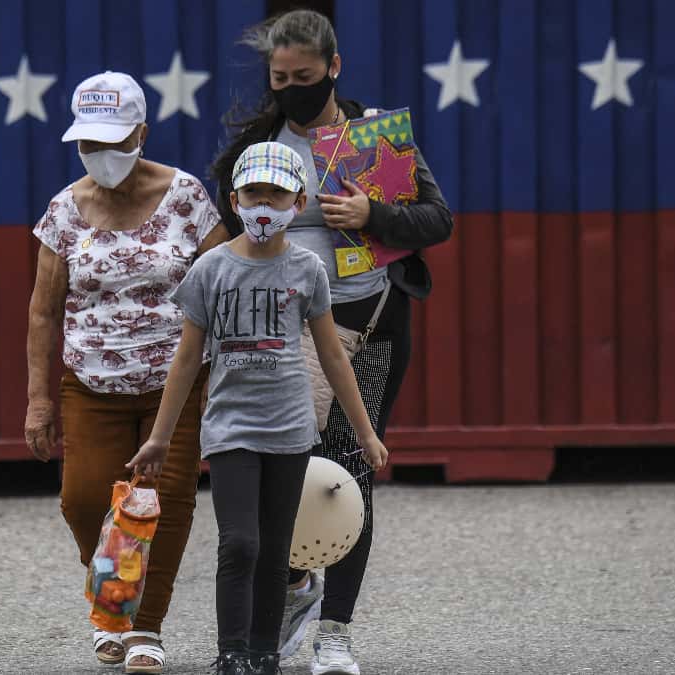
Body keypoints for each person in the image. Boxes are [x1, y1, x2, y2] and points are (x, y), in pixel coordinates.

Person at [210, 10, 455, 675]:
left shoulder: (374, 139)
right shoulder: (256, 147)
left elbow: (437, 219)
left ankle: (335, 635)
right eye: (280, 78)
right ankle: (292, 588)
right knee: (278, 482)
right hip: (279, 337)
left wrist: (373, 214)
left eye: (305, 77)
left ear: (334, 69)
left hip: (369, 325)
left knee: (346, 479)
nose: (291, 88)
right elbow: (230, 233)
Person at [127, 141, 389, 675]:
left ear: (298, 203)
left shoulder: (308, 269)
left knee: (276, 548)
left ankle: (264, 654)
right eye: (253, 192)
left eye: (276, 193)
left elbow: (334, 357)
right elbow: (185, 361)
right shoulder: (211, 270)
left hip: (290, 428)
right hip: (230, 426)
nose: (264, 205)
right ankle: (231, 653)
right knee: (240, 542)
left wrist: (364, 431)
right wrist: (159, 436)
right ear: (234, 199)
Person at [25, 71, 227, 674]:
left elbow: (222, 282)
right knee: (83, 500)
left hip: (177, 384)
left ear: (142, 131)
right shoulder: (65, 209)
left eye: (113, 142)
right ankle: (113, 596)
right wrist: (39, 401)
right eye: (89, 144)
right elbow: (42, 310)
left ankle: (142, 629)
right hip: (91, 384)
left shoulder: (187, 197)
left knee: (163, 504)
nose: (101, 156)